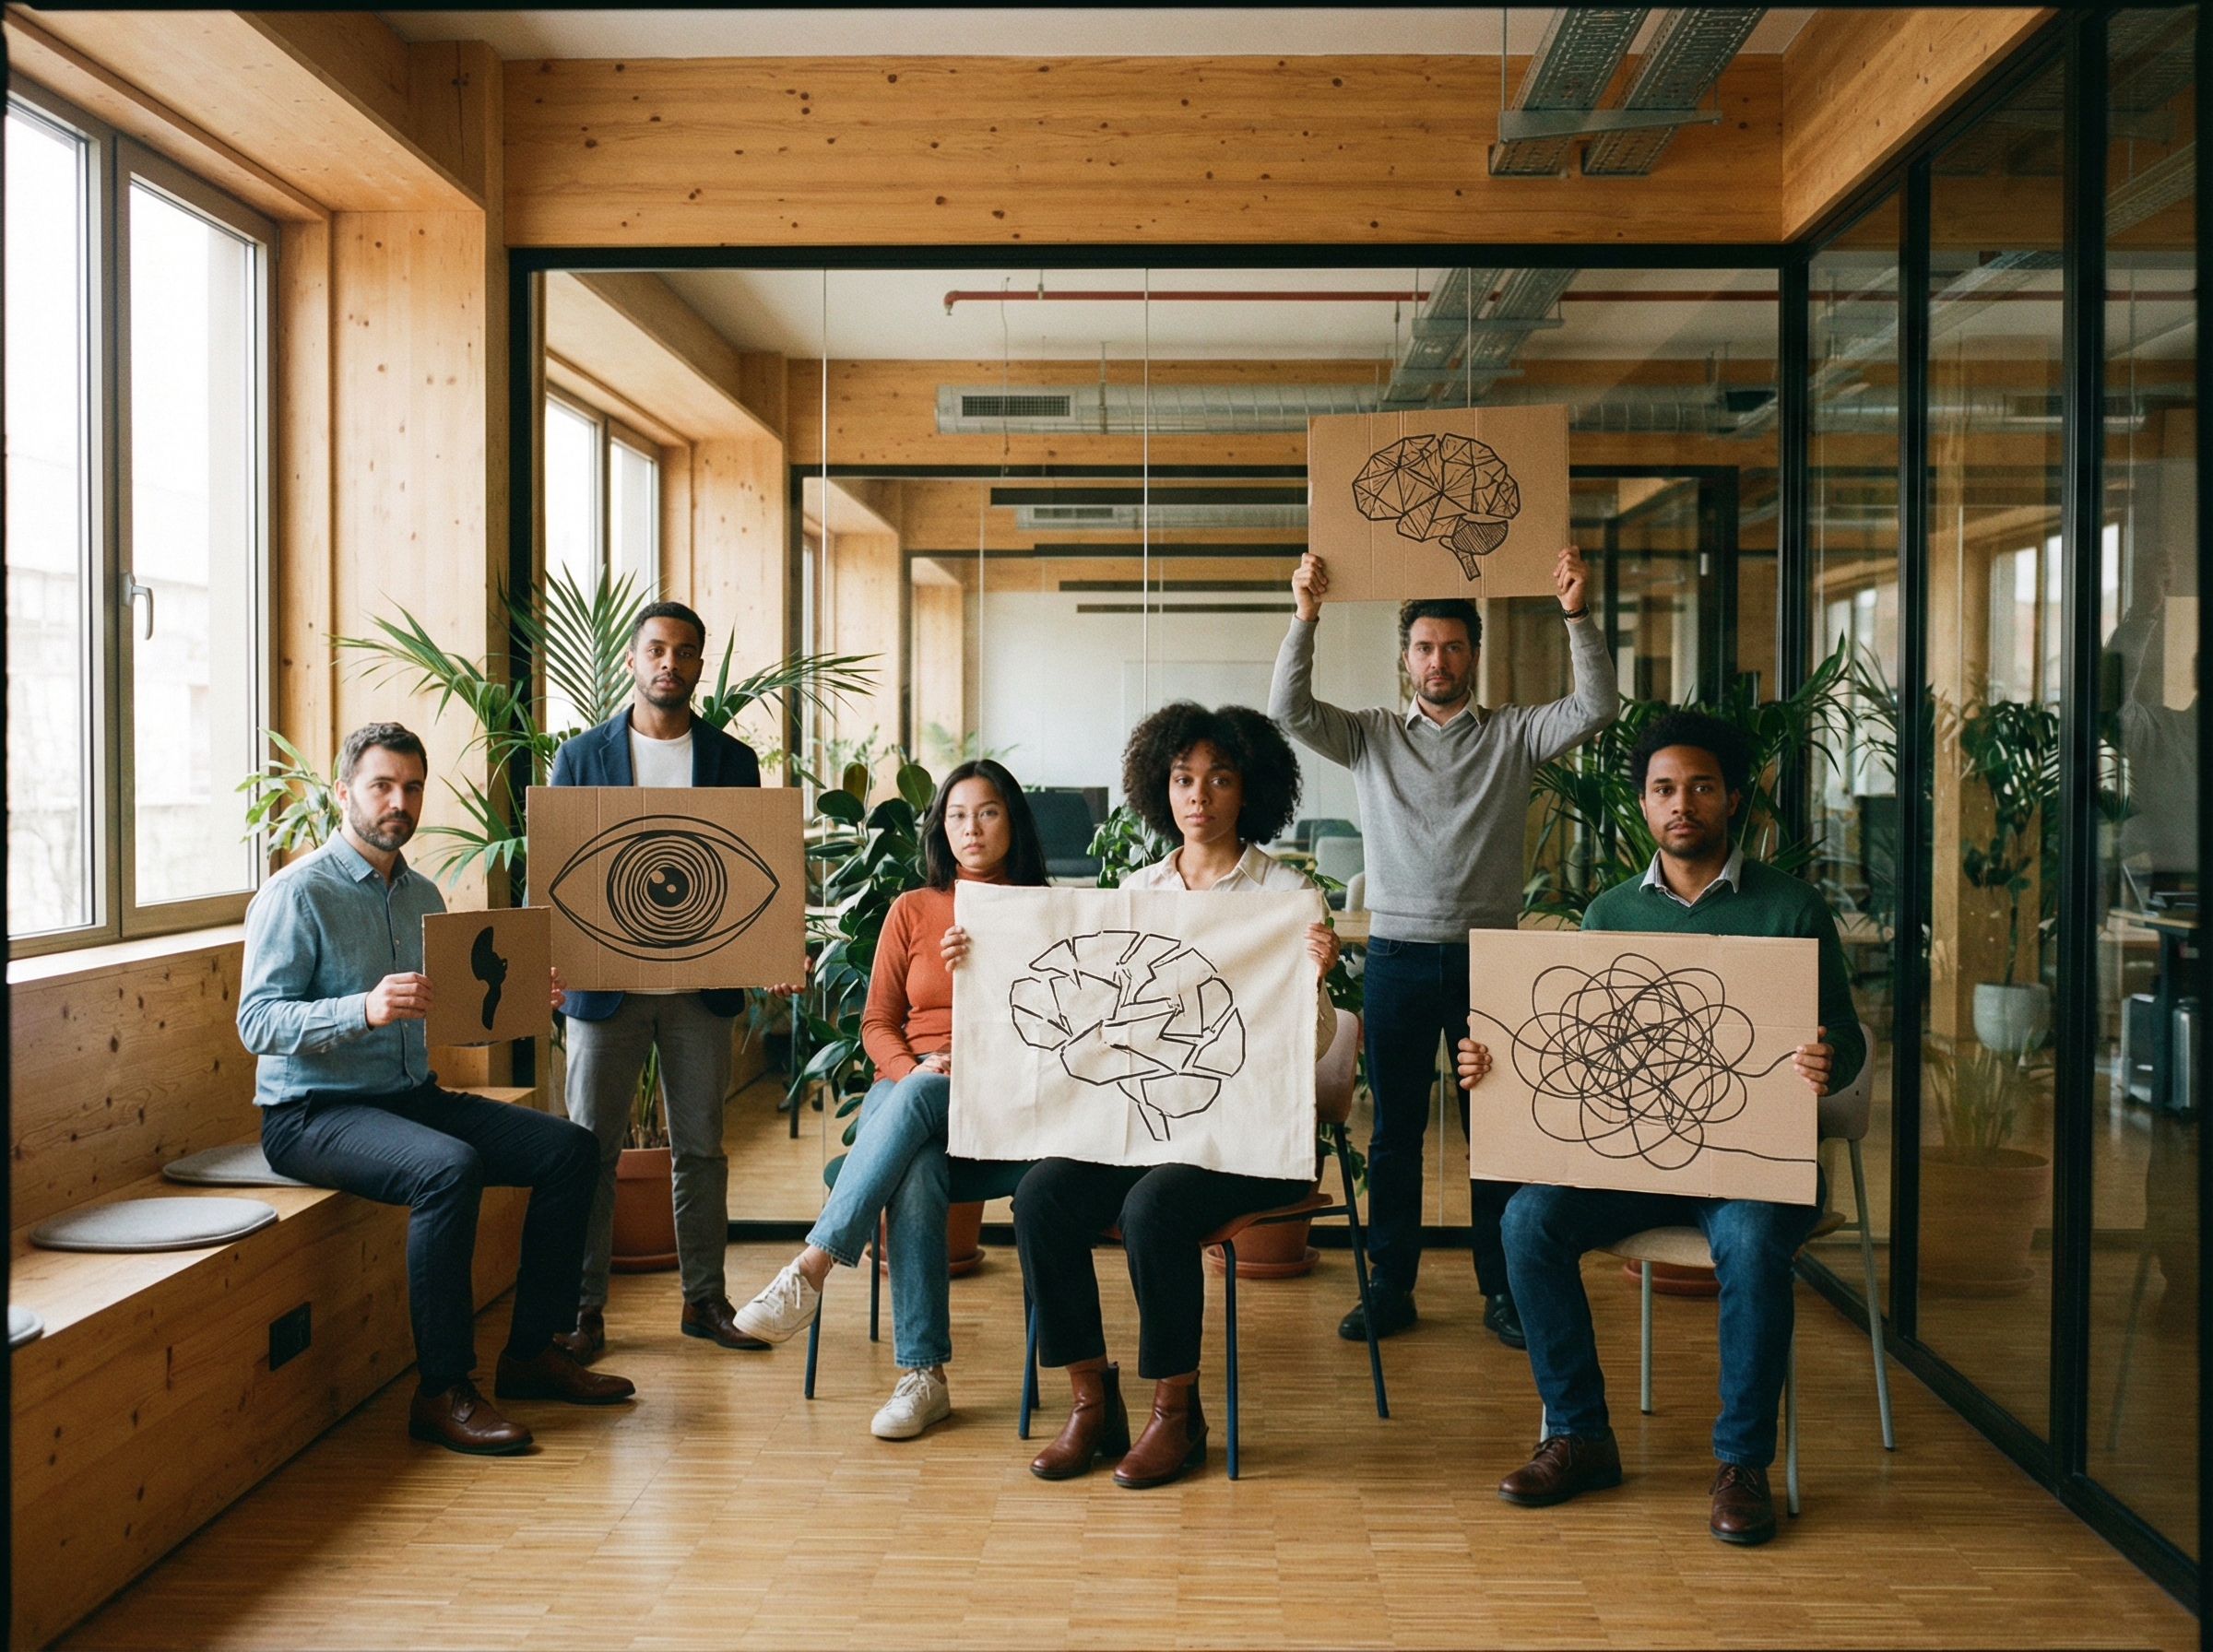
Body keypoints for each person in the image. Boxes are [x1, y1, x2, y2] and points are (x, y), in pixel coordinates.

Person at [1458, 710, 1864, 1546]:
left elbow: (1849, 1039)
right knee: (1526, 1219)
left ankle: (1742, 1463)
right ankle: (1581, 1435)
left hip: (1753, 1163)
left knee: (1752, 1246)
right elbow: (1575, 1049)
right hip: (1630, 1159)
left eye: (1702, 787)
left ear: (1736, 798)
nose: (1684, 804)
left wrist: (1830, 1060)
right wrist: (1492, 1065)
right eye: (1665, 789)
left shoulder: (1793, 909)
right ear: (1643, 805)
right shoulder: (1608, 913)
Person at [240, 722, 635, 1456]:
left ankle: (530, 1354)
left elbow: (457, 1016)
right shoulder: (297, 894)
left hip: (408, 1095)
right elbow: (257, 1023)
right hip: (311, 1113)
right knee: (448, 1170)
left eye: (412, 787)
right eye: (381, 786)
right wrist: (360, 1007)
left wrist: (523, 999)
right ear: (343, 794)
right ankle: (442, 1390)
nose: (399, 801)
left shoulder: (421, 891)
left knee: (571, 1149)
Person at [1271, 546, 1617, 1348]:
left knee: (1494, 1131)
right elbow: (1288, 710)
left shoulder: (1517, 734)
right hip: (1393, 956)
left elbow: (1598, 705)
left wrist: (1575, 610)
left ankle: (1504, 1291)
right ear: (1406, 660)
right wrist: (1305, 615)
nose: (1439, 660)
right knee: (1392, 1133)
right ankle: (1391, 1286)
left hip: (1488, 961)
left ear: (1473, 656)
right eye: (1425, 647)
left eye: (1454, 647)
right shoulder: (1370, 737)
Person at [1016, 703, 1340, 1488]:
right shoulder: (1136, 891)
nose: (1199, 796)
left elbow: (1318, 1044)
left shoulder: (1287, 894)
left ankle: (1177, 1411)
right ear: (1160, 786)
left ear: (1248, 789)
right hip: (1150, 1128)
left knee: (1153, 1207)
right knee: (1041, 1197)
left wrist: (1317, 983)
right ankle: (1092, 1402)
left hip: (1250, 1142)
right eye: (1183, 778)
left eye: (1220, 779)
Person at [731, 760, 1047, 1439]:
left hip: (1002, 1098)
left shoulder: (1047, 911)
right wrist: (910, 1070)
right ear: (941, 826)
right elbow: (876, 1022)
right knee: (920, 1166)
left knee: (919, 1115)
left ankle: (810, 1270)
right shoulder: (912, 909)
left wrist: (989, 975)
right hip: (909, 1090)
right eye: (958, 814)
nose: (972, 828)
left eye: (988, 812)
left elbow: (1063, 1029)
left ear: (1012, 821)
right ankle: (923, 1379)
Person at [549, 600, 795, 1358]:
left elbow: (752, 871)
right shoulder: (580, 757)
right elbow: (558, 871)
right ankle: (584, 1310)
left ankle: (704, 1299)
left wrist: (772, 954)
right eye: (656, 649)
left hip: (701, 992)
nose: (670, 664)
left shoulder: (731, 761)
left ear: (697, 663)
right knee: (590, 1151)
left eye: (685, 652)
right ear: (631, 659)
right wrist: (548, 962)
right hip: (602, 992)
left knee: (703, 1149)